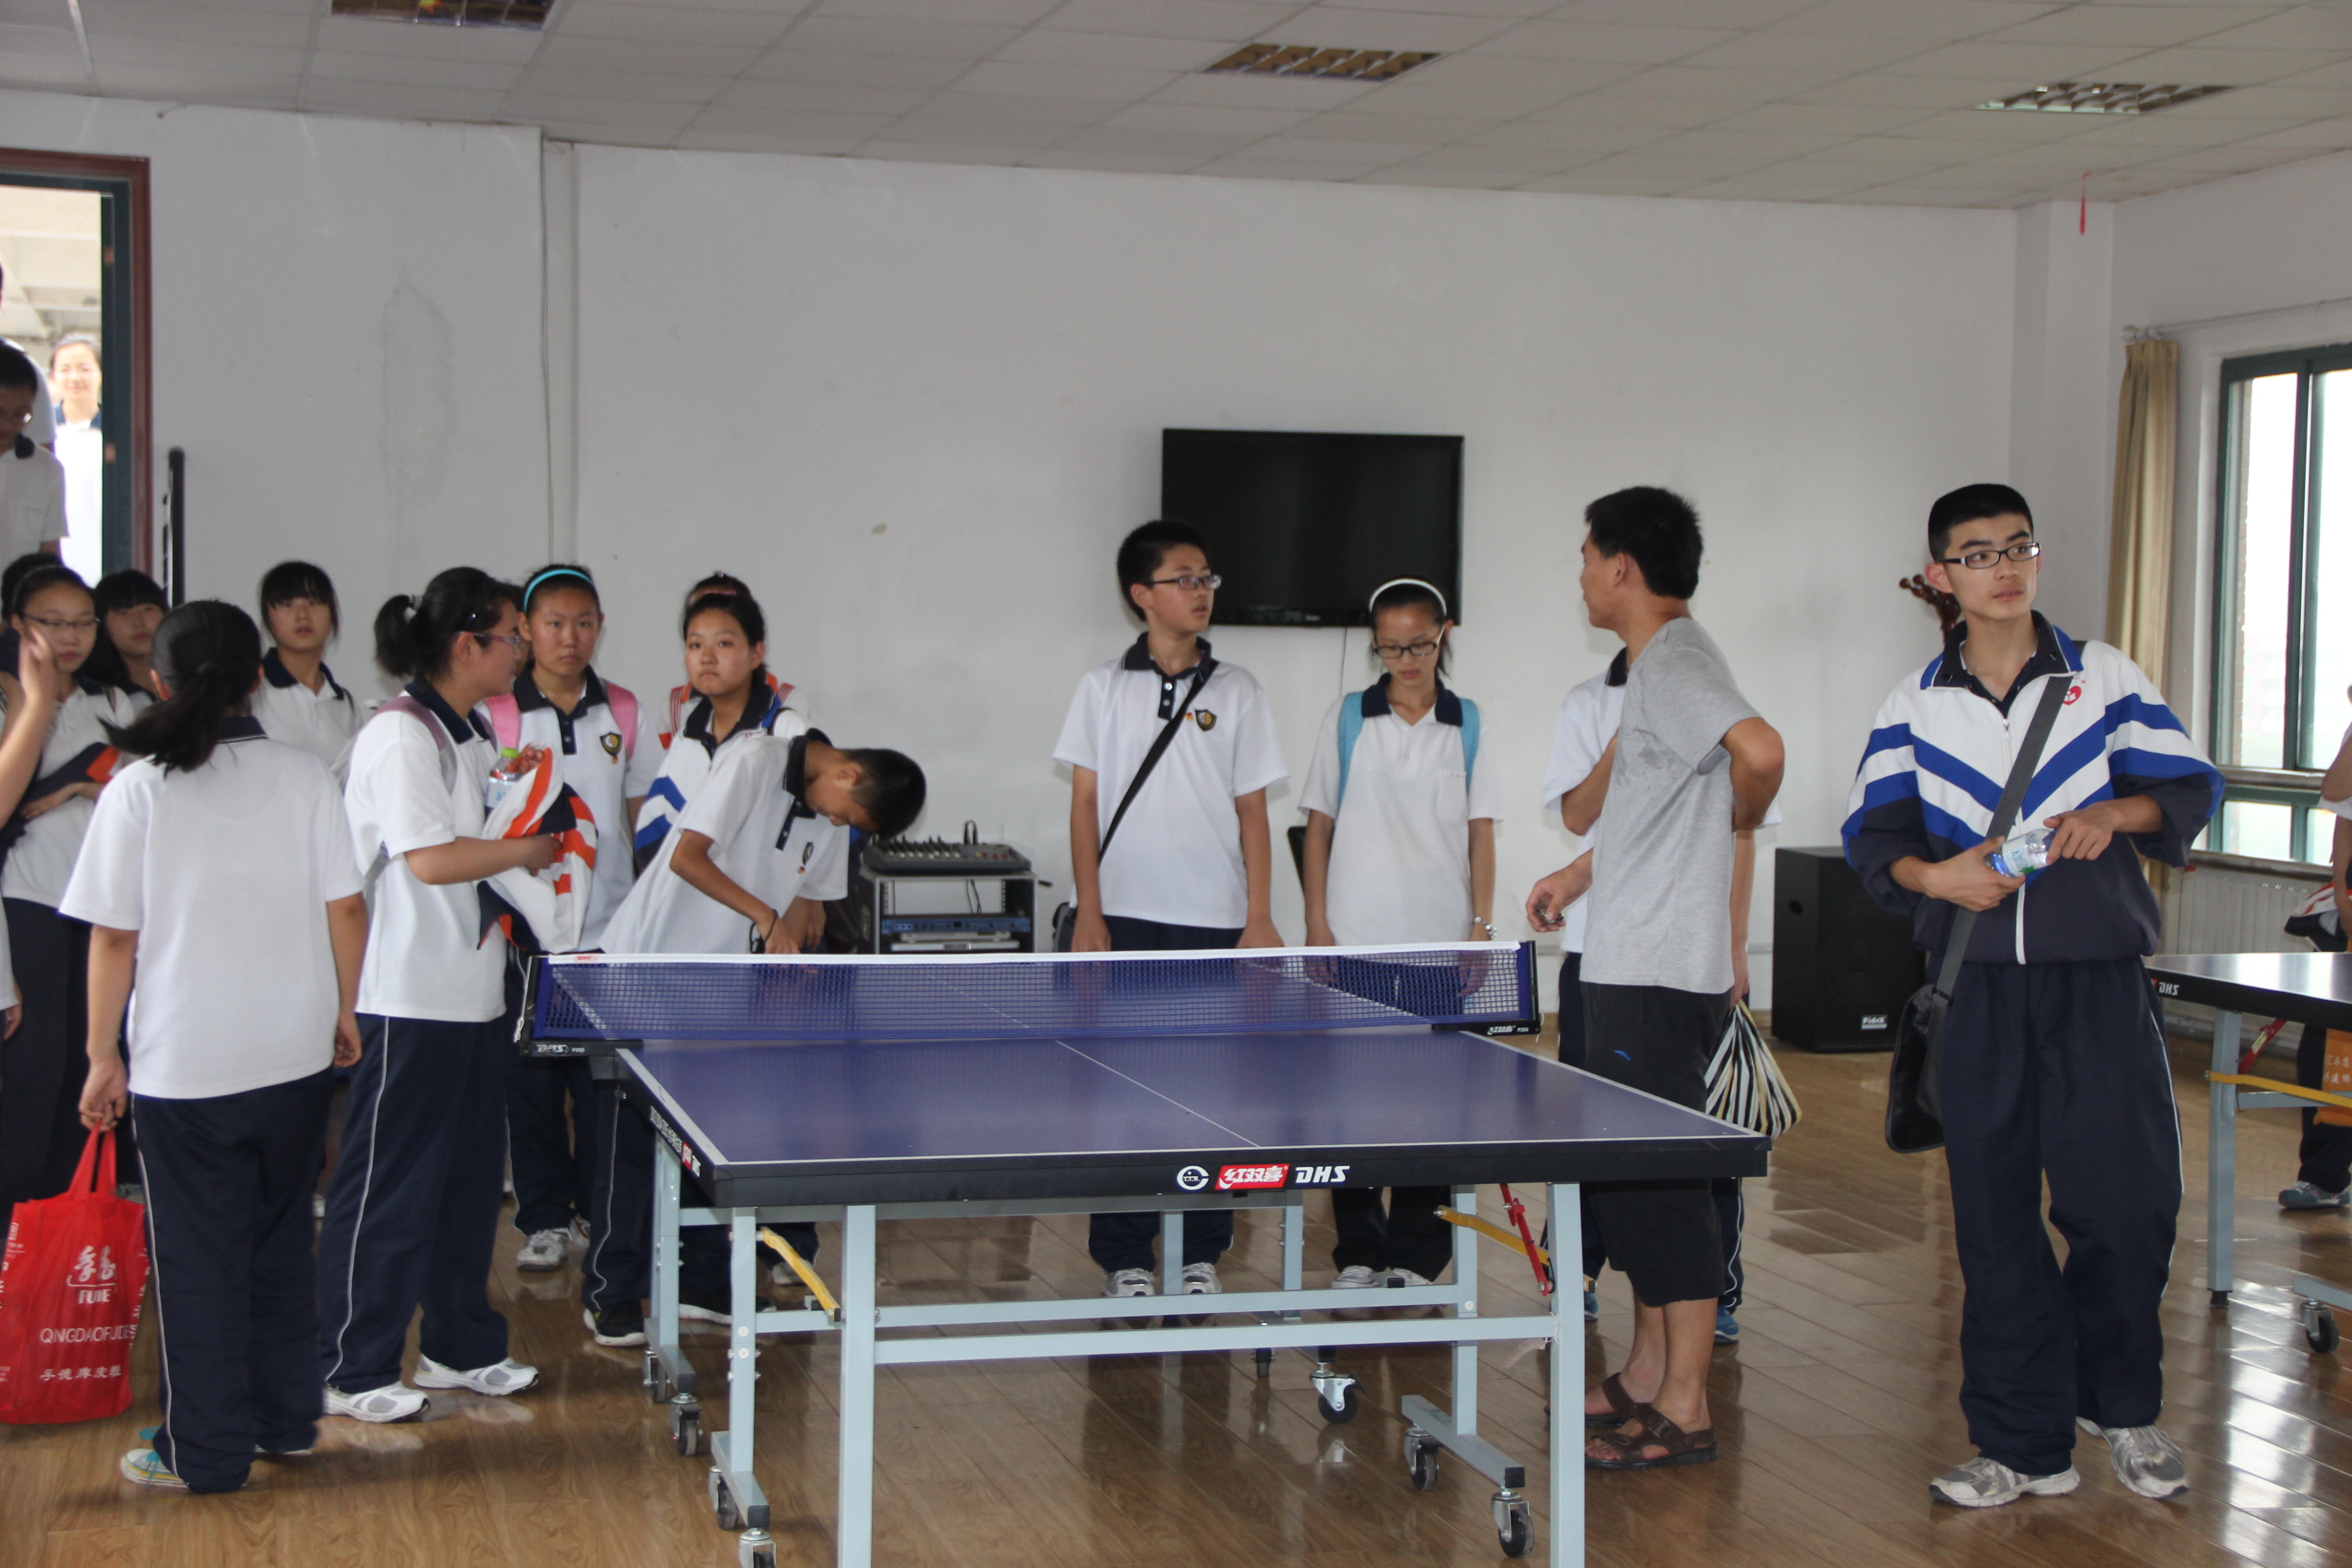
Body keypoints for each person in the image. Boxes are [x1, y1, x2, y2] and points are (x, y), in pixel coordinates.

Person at [1845, 483, 2221, 1508]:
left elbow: (2189, 786)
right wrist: (1940, 879)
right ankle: (2021, 1443)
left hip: (2099, 984)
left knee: (2128, 1206)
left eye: (2019, 547)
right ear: (1942, 576)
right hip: (1976, 992)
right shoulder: (1913, 704)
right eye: (1978, 554)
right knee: (1994, 1219)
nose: (2004, 568)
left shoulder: (2103, 677)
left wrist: (2115, 812)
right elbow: (1874, 840)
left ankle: (2122, 1408)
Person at [63, 602, 368, 1494]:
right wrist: (345, 1008)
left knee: (198, 1263)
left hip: (184, 1068)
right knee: (279, 1241)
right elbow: (347, 907)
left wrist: (101, 1055)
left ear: (158, 681)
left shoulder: (139, 789)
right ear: (254, 678)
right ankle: (284, 1420)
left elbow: (112, 936)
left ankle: (203, 1452)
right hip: (293, 1056)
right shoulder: (305, 776)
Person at [1525, 487, 1781, 1474]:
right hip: (1628, 959)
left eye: (1587, 557)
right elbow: (1651, 807)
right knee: (1633, 1184)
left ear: (1622, 566)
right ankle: (1643, 1373)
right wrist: (1578, 874)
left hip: (1657, 972)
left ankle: (1684, 1405)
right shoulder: (1658, 668)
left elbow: (1760, 753)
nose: (1583, 575)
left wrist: (1744, 817)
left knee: (1663, 1185)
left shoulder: (1675, 662)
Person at [600, 576, 925, 1332]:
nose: (841, 826)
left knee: (709, 1137)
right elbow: (687, 857)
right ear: (847, 774)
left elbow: (812, 902)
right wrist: (764, 915)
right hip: (650, 968)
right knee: (632, 1140)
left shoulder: (827, 810)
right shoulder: (752, 757)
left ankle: (704, 1286)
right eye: (849, 814)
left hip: (723, 989)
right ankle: (610, 1293)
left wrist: (793, 953)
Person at [314, 568, 557, 1423]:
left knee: (465, 1182)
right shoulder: (400, 734)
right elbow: (429, 859)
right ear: (467, 644)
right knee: (389, 1183)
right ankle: (351, 1366)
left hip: (471, 991)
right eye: (512, 635)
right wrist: (528, 850)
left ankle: (461, 1347)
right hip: (406, 993)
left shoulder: (472, 731)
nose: (522, 648)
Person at [1054, 519, 1288, 1300]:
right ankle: (1124, 1255)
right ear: (1141, 594)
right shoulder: (1101, 687)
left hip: (1215, 922)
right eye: (1184, 578)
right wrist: (1091, 912)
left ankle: (1199, 1251)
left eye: (1206, 577)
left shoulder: (1239, 690)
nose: (1201, 591)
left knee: (1209, 1097)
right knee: (1119, 1091)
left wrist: (1259, 915)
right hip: (1122, 920)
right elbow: (1084, 807)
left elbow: (1253, 812)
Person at [1530, 650, 1780, 1340]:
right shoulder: (1589, 701)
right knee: (1593, 1131)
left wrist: (1735, 946)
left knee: (1697, 1133)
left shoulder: (1715, 697)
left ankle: (1714, 1289)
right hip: (1600, 953)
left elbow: (1741, 829)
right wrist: (1625, 736)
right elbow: (1580, 815)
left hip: (1685, 963)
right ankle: (1576, 1273)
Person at [1299, 577, 1496, 1290]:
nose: (1405, 661)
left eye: (1418, 645)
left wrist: (1478, 928)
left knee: (1431, 1109)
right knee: (1349, 1107)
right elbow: (1317, 826)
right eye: (1389, 648)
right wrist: (1317, 924)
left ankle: (1416, 1257)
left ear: (1444, 635)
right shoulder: (1349, 717)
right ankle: (1359, 1250)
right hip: (1353, 942)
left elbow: (1481, 832)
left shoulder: (1467, 722)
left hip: (1438, 948)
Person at [493, 564, 662, 1289]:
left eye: (584, 623)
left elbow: (643, 814)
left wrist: (652, 908)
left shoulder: (622, 709)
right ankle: (543, 1219)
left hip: (609, 931)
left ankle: (597, 1211)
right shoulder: (498, 713)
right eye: (555, 624)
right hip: (527, 932)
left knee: (601, 1087)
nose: (571, 638)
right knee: (531, 1083)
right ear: (526, 630)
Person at [0, 566, 139, 1240]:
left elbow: (147, 780)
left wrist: (84, 784)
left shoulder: (114, 701)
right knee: (31, 1071)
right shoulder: (9, 701)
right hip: (24, 903)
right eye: (51, 622)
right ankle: (16, 1230)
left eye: (82, 622)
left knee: (84, 1071)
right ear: (16, 625)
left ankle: (62, 1232)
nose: (70, 636)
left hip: (100, 908)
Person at [250, 561, 361, 779]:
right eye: (287, 604)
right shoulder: (252, 692)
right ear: (268, 618)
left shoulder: (345, 703)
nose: (302, 614)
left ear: (332, 615)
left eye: (313, 602)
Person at [0, 345, 64, 564]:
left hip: (21, 585)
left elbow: (50, 552)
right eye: (0, 413)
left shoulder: (47, 469)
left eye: (20, 414)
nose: (7, 424)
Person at [49, 336, 102, 584]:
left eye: (84, 369)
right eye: (65, 369)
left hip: (101, 553)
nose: (75, 378)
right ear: (53, 376)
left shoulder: (117, 433)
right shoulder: (41, 434)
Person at [84, 569, 166, 706]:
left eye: (147, 609)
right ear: (102, 626)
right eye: (123, 612)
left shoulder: (191, 680)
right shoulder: (97, 696)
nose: (138, 622)